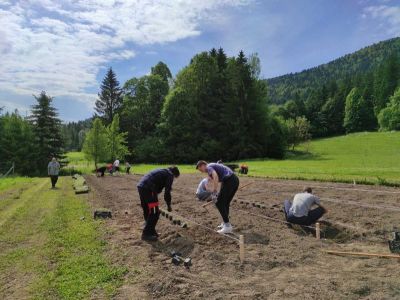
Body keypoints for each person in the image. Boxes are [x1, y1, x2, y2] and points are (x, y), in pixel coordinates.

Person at [137, 166, 180, 241]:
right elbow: (167, 192)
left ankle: (151, 231)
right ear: (174, 174)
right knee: (155, 212)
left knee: (147, 210)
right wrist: (168, 205)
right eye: (175, 177)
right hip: (149, 189)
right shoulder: (170, 175)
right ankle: (146, 234)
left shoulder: (163, 171)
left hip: (141, 187)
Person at [196, 160, 239, 234]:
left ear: (203, 165)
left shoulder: (209, 167)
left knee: (219, 202)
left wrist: (214, 191)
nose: (201, 171)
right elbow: (213, 180)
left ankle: (227, 226)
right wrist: (214, 191)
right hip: (234, 180)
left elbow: (215, 176)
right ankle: (225, 223)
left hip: (229, 180)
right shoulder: (211, 167)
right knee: (225, 203)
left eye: (200, 169)